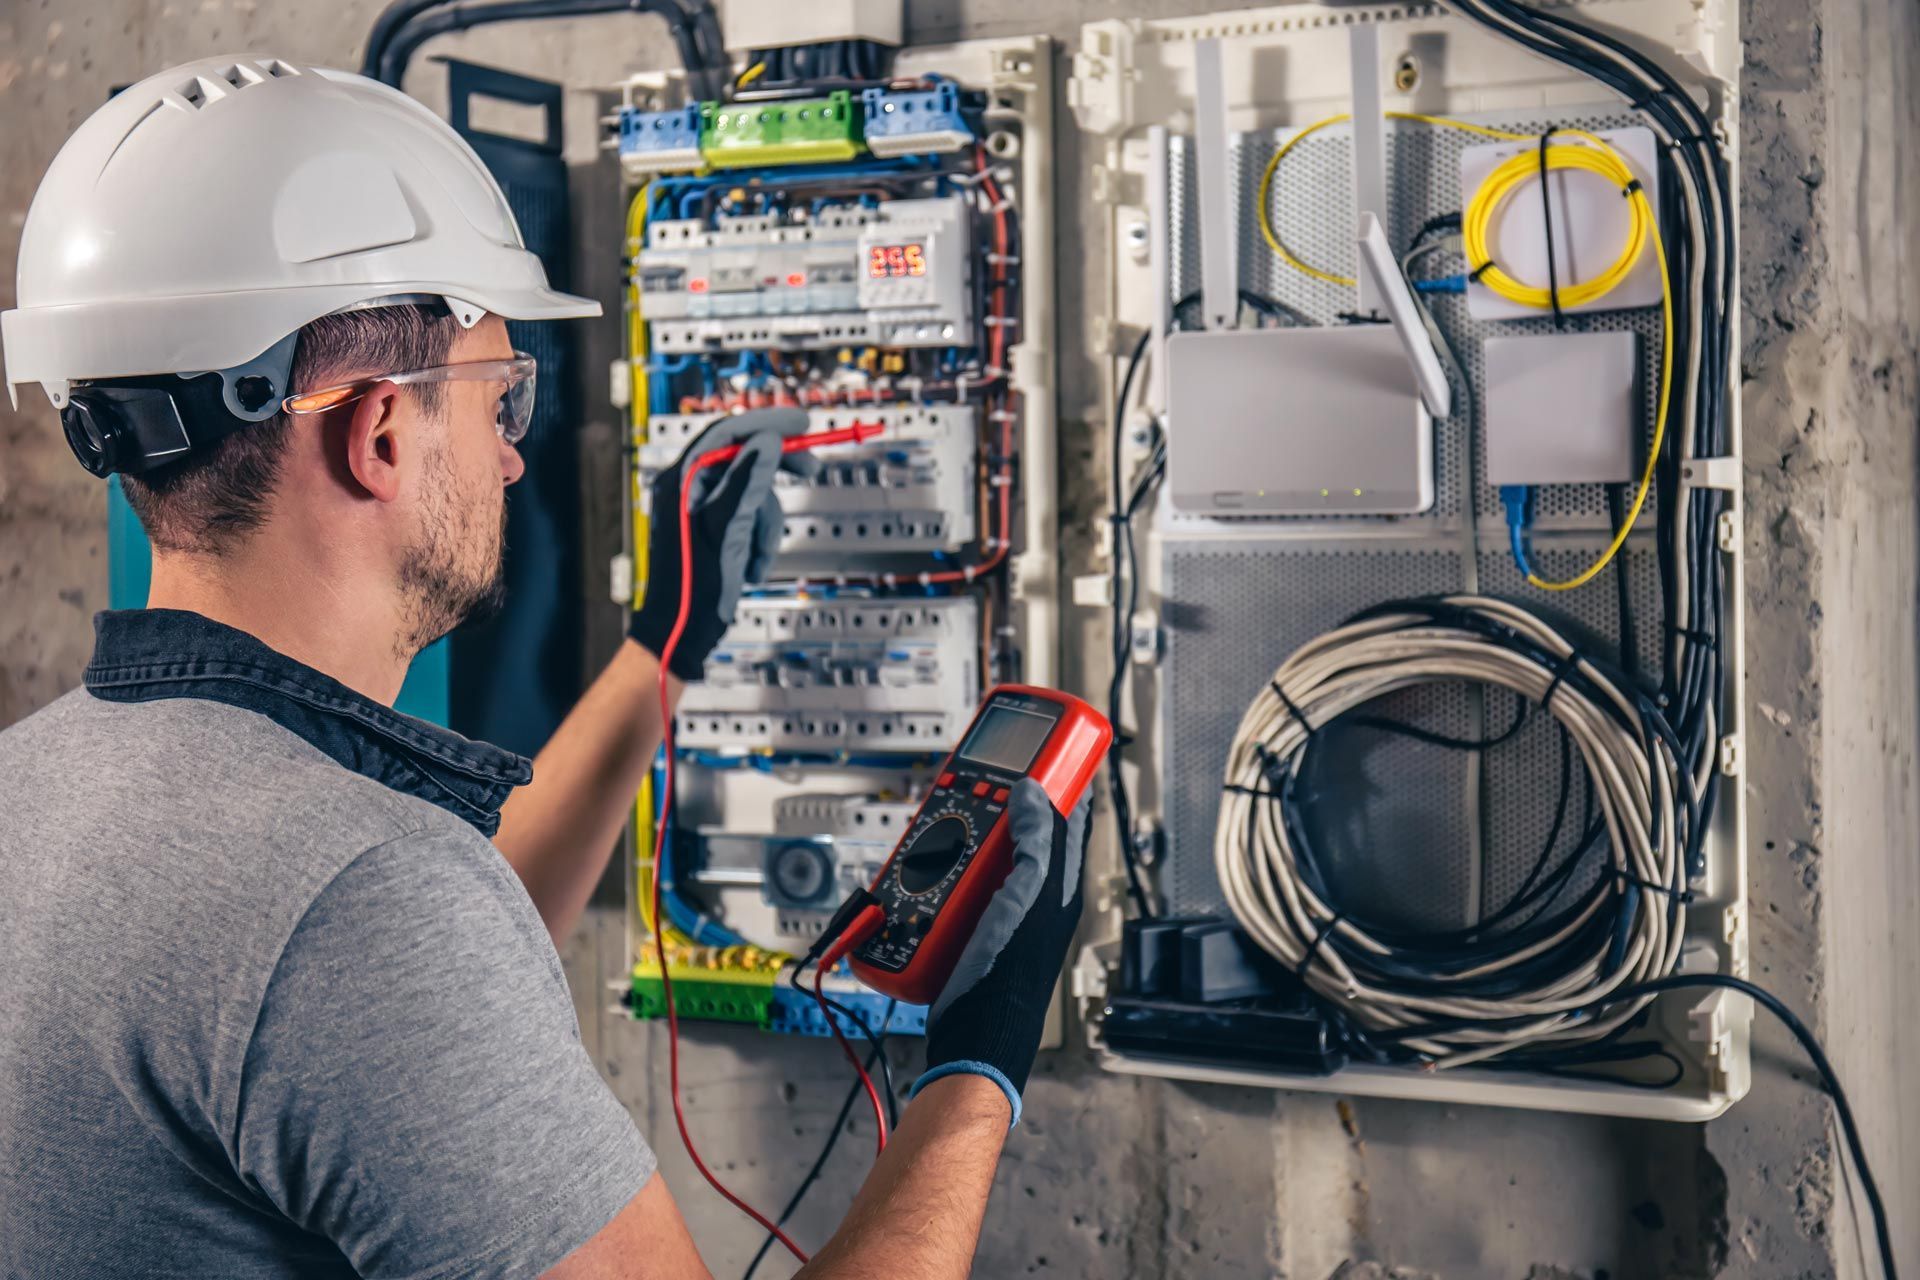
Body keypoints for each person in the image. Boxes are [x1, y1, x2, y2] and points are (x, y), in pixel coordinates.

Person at [0, 55, 1084, 1279]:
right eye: (500, 400)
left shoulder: (36, 790)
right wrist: (979, 1062)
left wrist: (665, 649)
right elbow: (366, 952)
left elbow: (371, 1004)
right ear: (381, 432)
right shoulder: (358, 905)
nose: (513, 459)